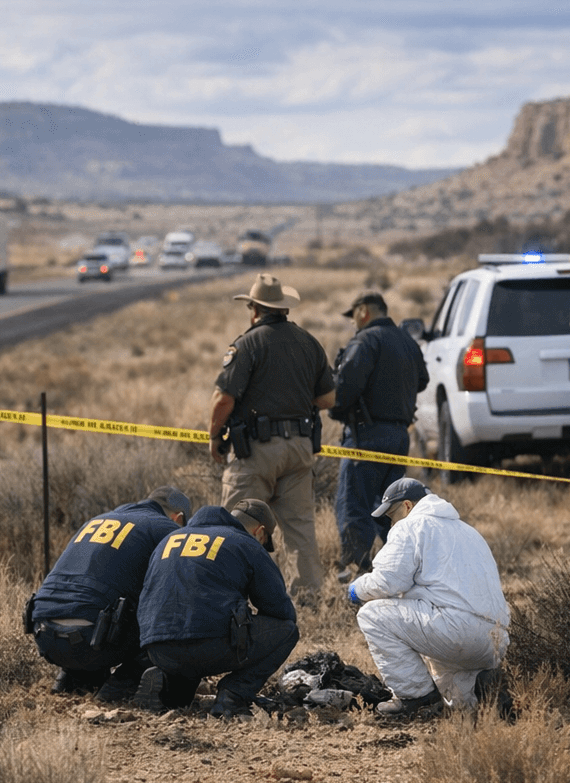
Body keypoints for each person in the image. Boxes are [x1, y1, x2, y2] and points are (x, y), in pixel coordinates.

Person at [210, 273, 335, 597]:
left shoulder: (248, 344)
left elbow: (223, 399)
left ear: (255, 309)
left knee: (236, 525)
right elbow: (328, 399)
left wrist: (214, 437)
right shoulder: (308, 342)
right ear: (283, 307)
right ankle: (309, 596)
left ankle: (227, 592)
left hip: (256, 451)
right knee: (300, 528)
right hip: (299, 449)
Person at [348, 478, 509, 716]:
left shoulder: (411, 525)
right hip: (495, 641)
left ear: (407, 506)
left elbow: (388, 581)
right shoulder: (469, 531)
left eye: (391, 515)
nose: (391, 523)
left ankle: (415, 698)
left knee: (372, 615)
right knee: (458, 706)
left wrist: (356, 589)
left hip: (455, 631)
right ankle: (484, 686)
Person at [26, 485, 192, 702]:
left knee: (96, 598)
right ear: (178, 518)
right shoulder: (166, 528)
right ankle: (124, 683)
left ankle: (74, 677)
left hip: (44, 634)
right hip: (95, 641)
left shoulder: (97, 520)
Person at [135, 499, 299, 717]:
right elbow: (281, 611)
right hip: (209, 646)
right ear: (260, 532)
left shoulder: (169, 539)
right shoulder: (245, 543)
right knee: (287, 631)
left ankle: (165, 683)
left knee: (181, 695)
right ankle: (233, 695)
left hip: (157, 648)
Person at [330, 290, 430, 582]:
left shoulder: (365, 341)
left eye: (353, 315)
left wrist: (336, 407)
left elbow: (344, 388)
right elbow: (422, 380)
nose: (353, 322)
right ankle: (401, 570)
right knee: (391, 508)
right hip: (399, 437)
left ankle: (357, 572)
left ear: (363, 310)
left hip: (366, 437)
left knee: (354, 505)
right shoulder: (407, 341)